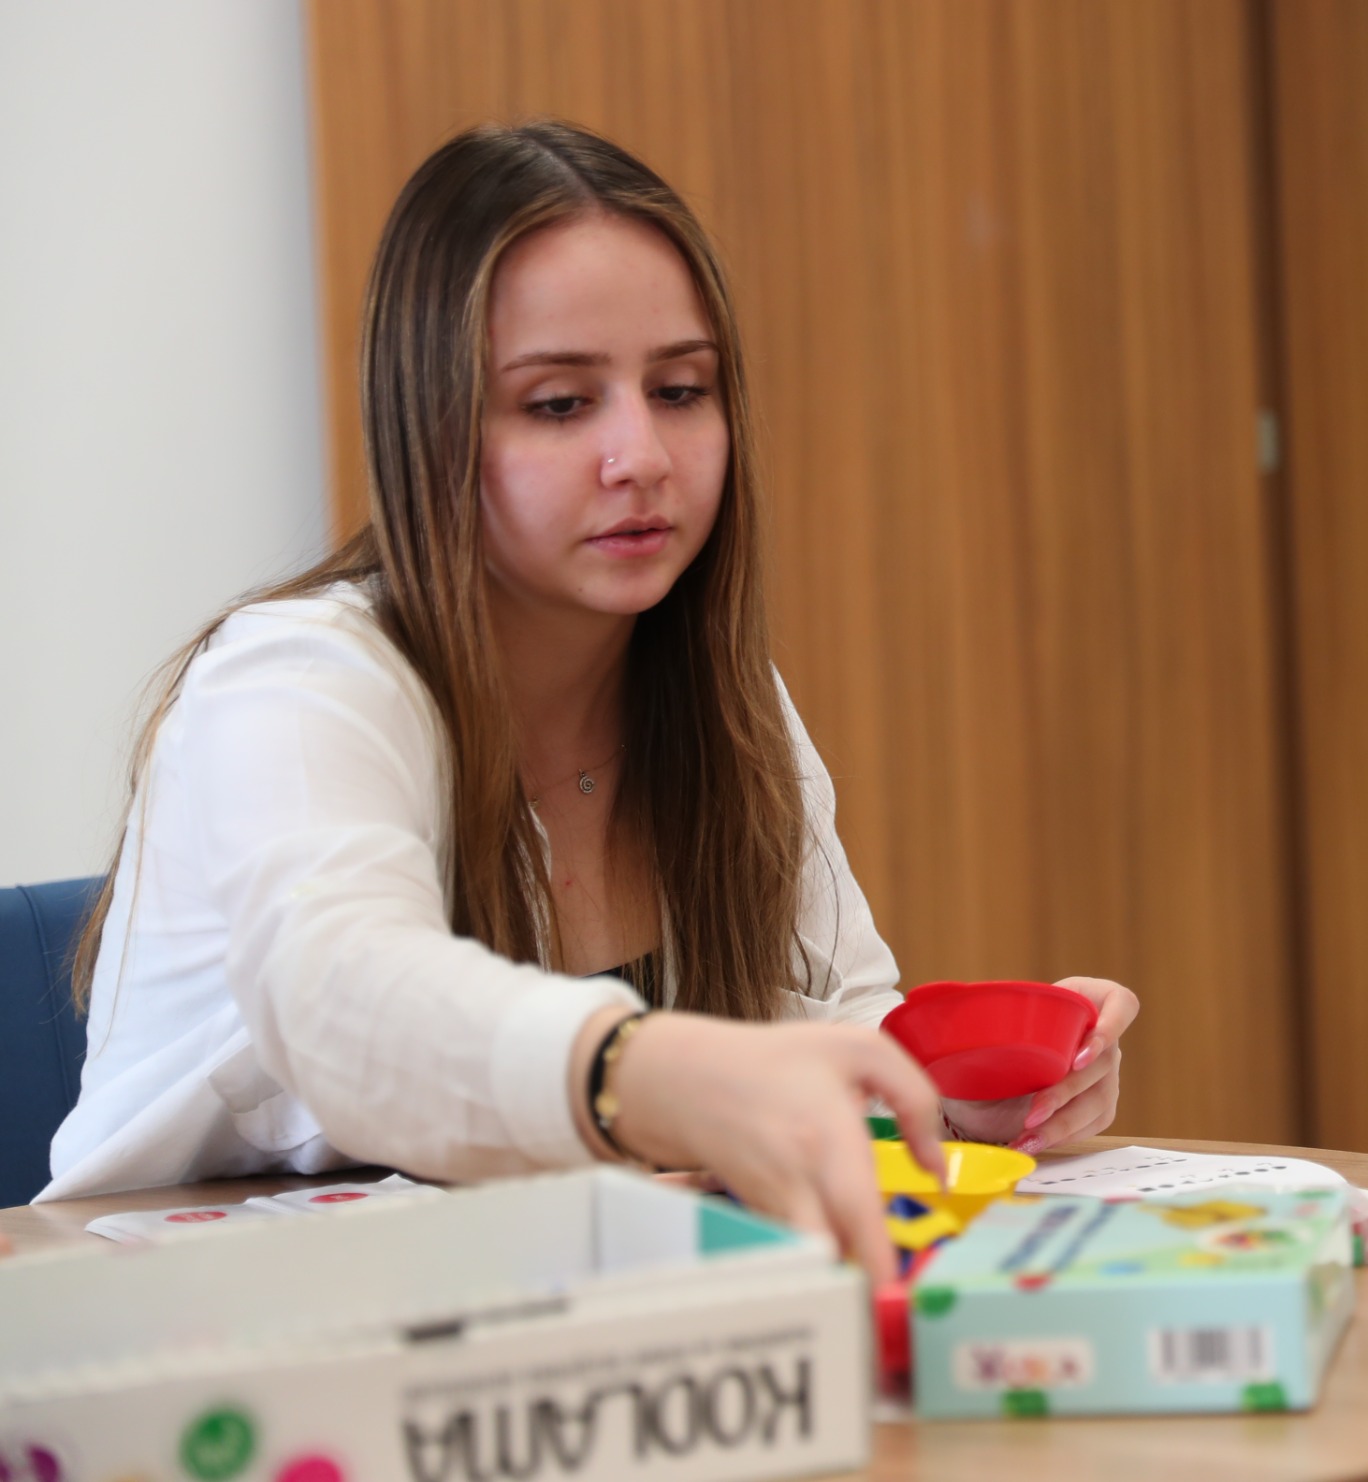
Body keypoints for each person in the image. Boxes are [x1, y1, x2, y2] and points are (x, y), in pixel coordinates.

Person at [46, 122, 1138, 1284]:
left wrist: (955, 1094)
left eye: (681, 390)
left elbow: (834, 1028)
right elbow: (353, 1009)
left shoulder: (720, 693)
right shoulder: (298, 682)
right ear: (430, 428)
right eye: (561, 403)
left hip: (572, 1324)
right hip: (194, 1337)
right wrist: (652, 1071)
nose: (642, 455)